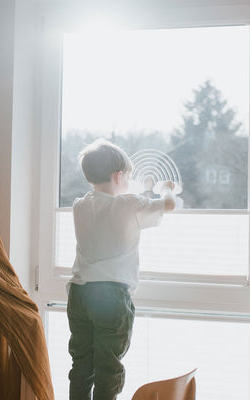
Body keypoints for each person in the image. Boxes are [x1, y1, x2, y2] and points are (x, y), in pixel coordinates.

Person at [67, 139, 176, 400]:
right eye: (127, 177)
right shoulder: (129, 205)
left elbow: (109, 210)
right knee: (108, 365)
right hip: (111, 297)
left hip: (80, 294)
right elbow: (168, 205)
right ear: (118, 176)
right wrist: (167, 188)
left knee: (81, 363)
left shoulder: (79, 206)